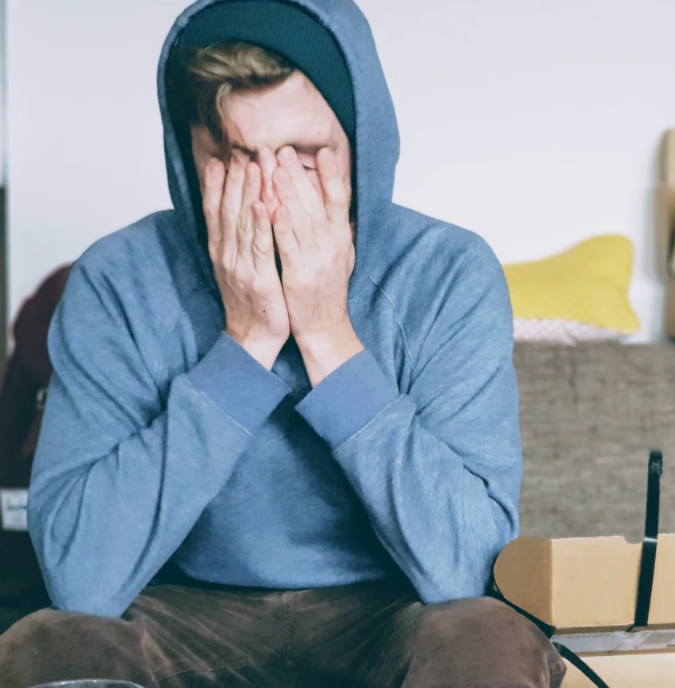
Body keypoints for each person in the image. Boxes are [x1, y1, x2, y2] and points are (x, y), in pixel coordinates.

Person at [0, 1, 566, 686]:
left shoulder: (448, 272)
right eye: (235, 158)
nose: (271, 198)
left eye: (305, 156)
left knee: (485, 636)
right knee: (50, 644)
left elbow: (468, 570)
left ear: (360, 144)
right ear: (188, 155)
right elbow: (81, 580)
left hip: (390, 612)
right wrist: (245, 344)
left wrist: (326, 333)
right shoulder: (116, 279)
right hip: (182, 612)